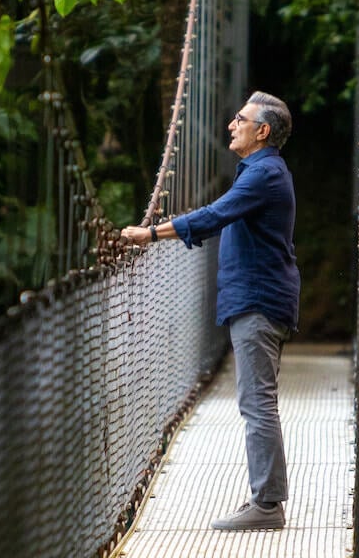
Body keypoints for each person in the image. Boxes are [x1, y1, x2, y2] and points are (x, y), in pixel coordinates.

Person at [121, 90, 300, 531]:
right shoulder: (261, 172)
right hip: (257, 299)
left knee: (256, 402)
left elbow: (216, 214)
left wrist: (152, 234)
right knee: (257, 401)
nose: (230, 125)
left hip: (258, 300)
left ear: (262, 131)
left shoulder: (264, 175)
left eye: (240, 119)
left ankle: (267, 505)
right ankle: (266, 499)